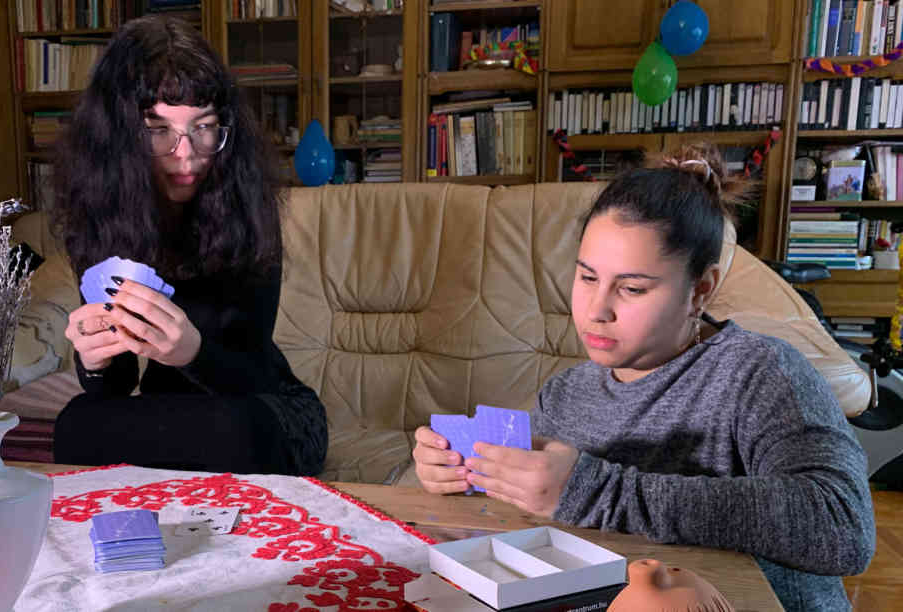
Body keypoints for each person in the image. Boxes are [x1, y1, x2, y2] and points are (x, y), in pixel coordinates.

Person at [412, 144, 875, 611]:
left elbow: (843, 527)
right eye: (587, 278)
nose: (597, 311)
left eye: (632, 288)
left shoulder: (757, 372)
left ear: (701, 289)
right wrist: (465, 472)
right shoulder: (566, 394)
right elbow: (541, 515)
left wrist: (597, 493)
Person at [47, 15, 326, 477]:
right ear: (119, 137)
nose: (187, 153)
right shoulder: (98, 217)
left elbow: (255, 372)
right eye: (158, 130)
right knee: (75, 425)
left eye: (204, 126)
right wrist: (93, 361)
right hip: (173, 412)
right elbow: (113, 390)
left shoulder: (246, 206)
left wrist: (193, 353)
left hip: (263, 408)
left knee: (238, 431)